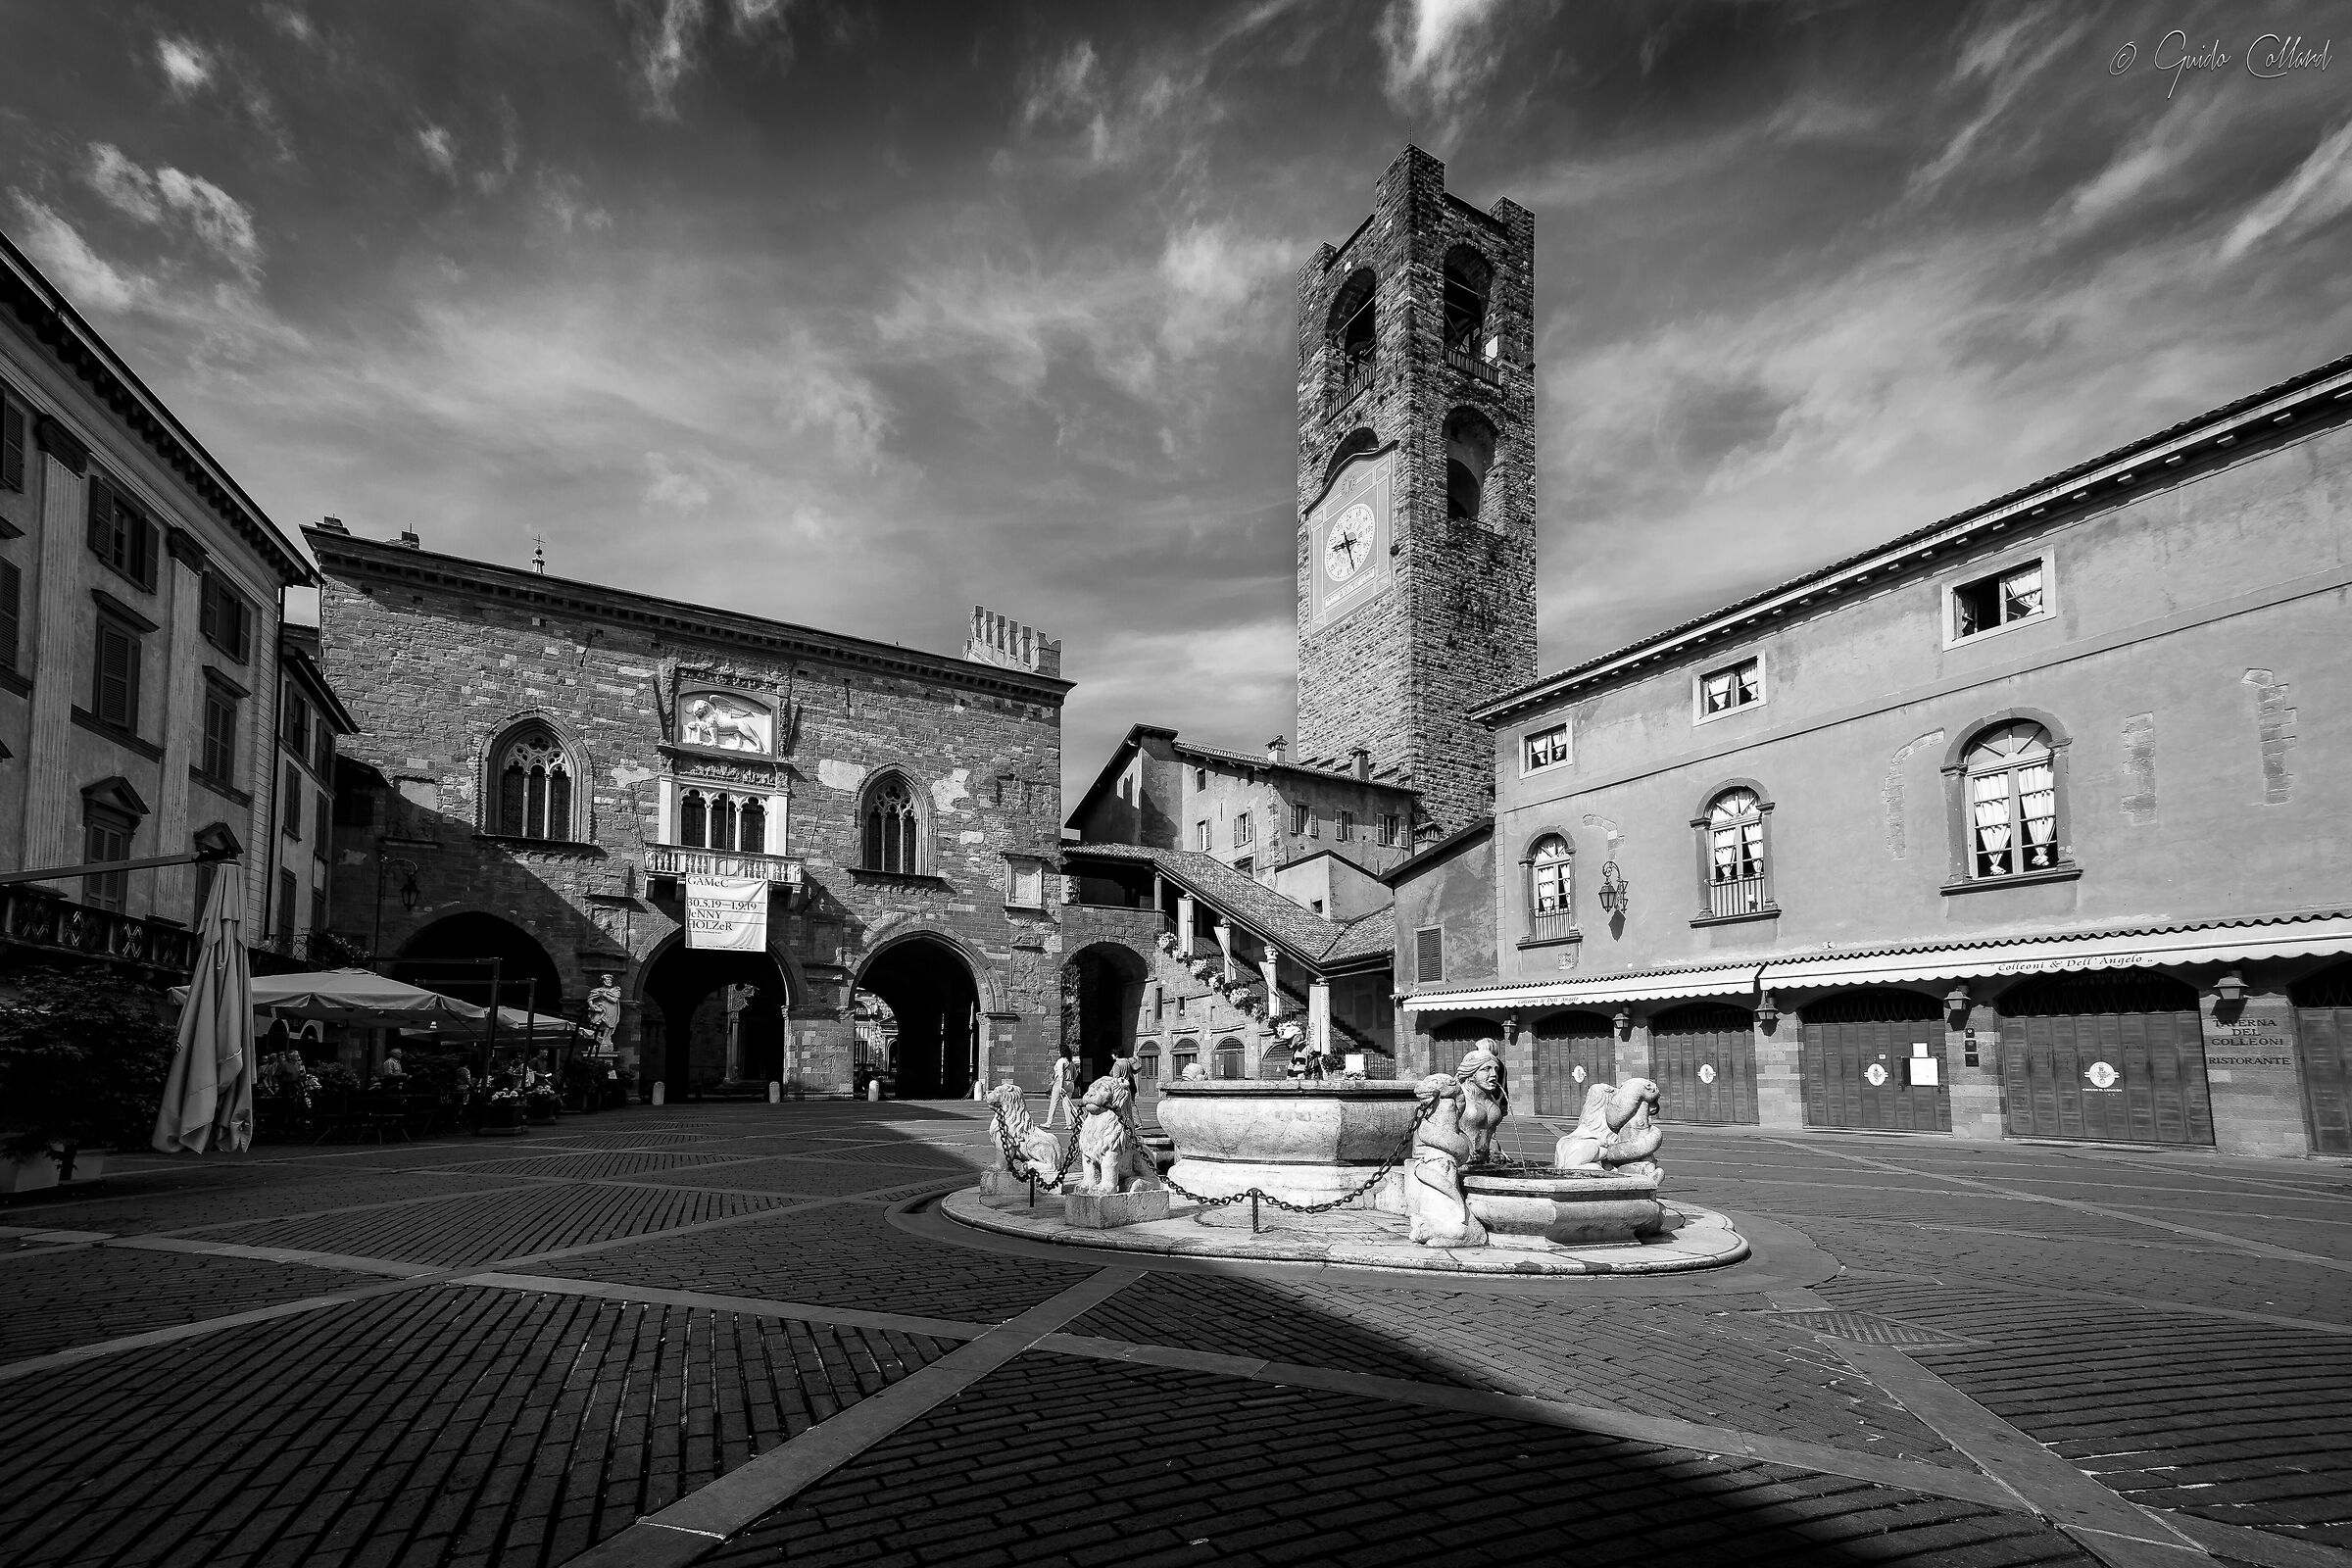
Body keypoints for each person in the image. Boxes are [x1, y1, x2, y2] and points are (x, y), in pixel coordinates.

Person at [1046, 1045, 1081, 1128]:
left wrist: (1061, 1086)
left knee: (1054, 1103)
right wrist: (1071, 1081)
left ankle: (1049, 1123)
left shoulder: (1060, 1061)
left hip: (1060, 1083)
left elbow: (1060, 1074)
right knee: (1067, 1105)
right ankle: (1069, 1124)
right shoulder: (1071, 1062)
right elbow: (1076, 1074)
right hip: (1070, 1083)